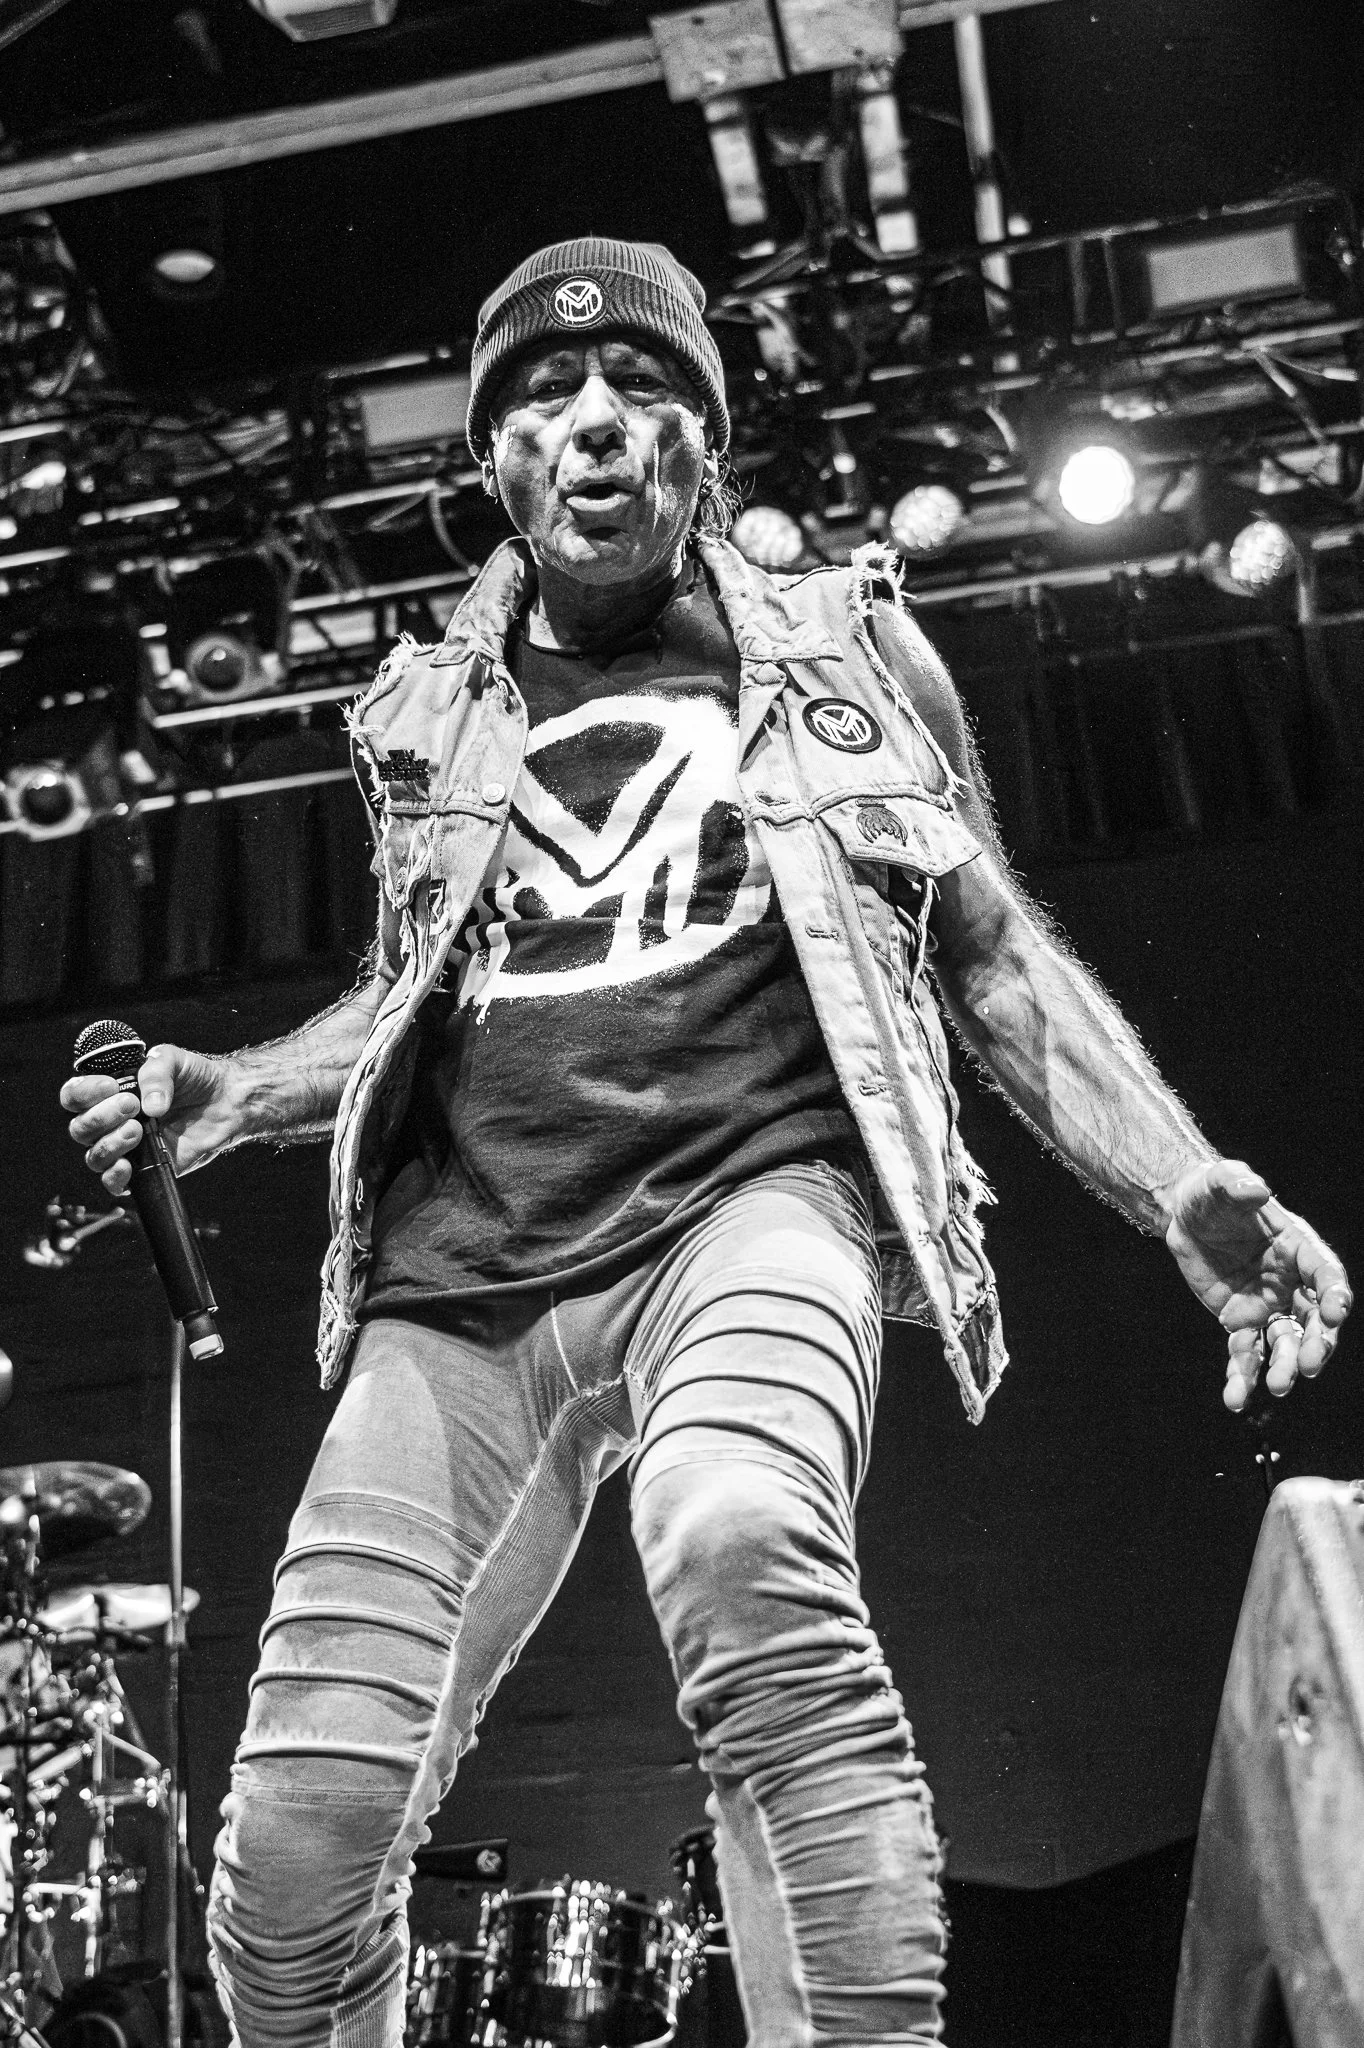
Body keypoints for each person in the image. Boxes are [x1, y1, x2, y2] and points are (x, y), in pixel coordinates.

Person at [62, 238, 1351, 2048]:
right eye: (544, 395)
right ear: (493, 458)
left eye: (643, 386)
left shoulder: (846, 648)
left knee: (738, 1532)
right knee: (293, 1846)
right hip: (463, 1280)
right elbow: (432, 994)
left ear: (705, 440)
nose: (595, 421)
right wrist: (236, 1093)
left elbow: (984, 952)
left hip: (750, 1212)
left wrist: (1177, 1183)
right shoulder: (427, 712)